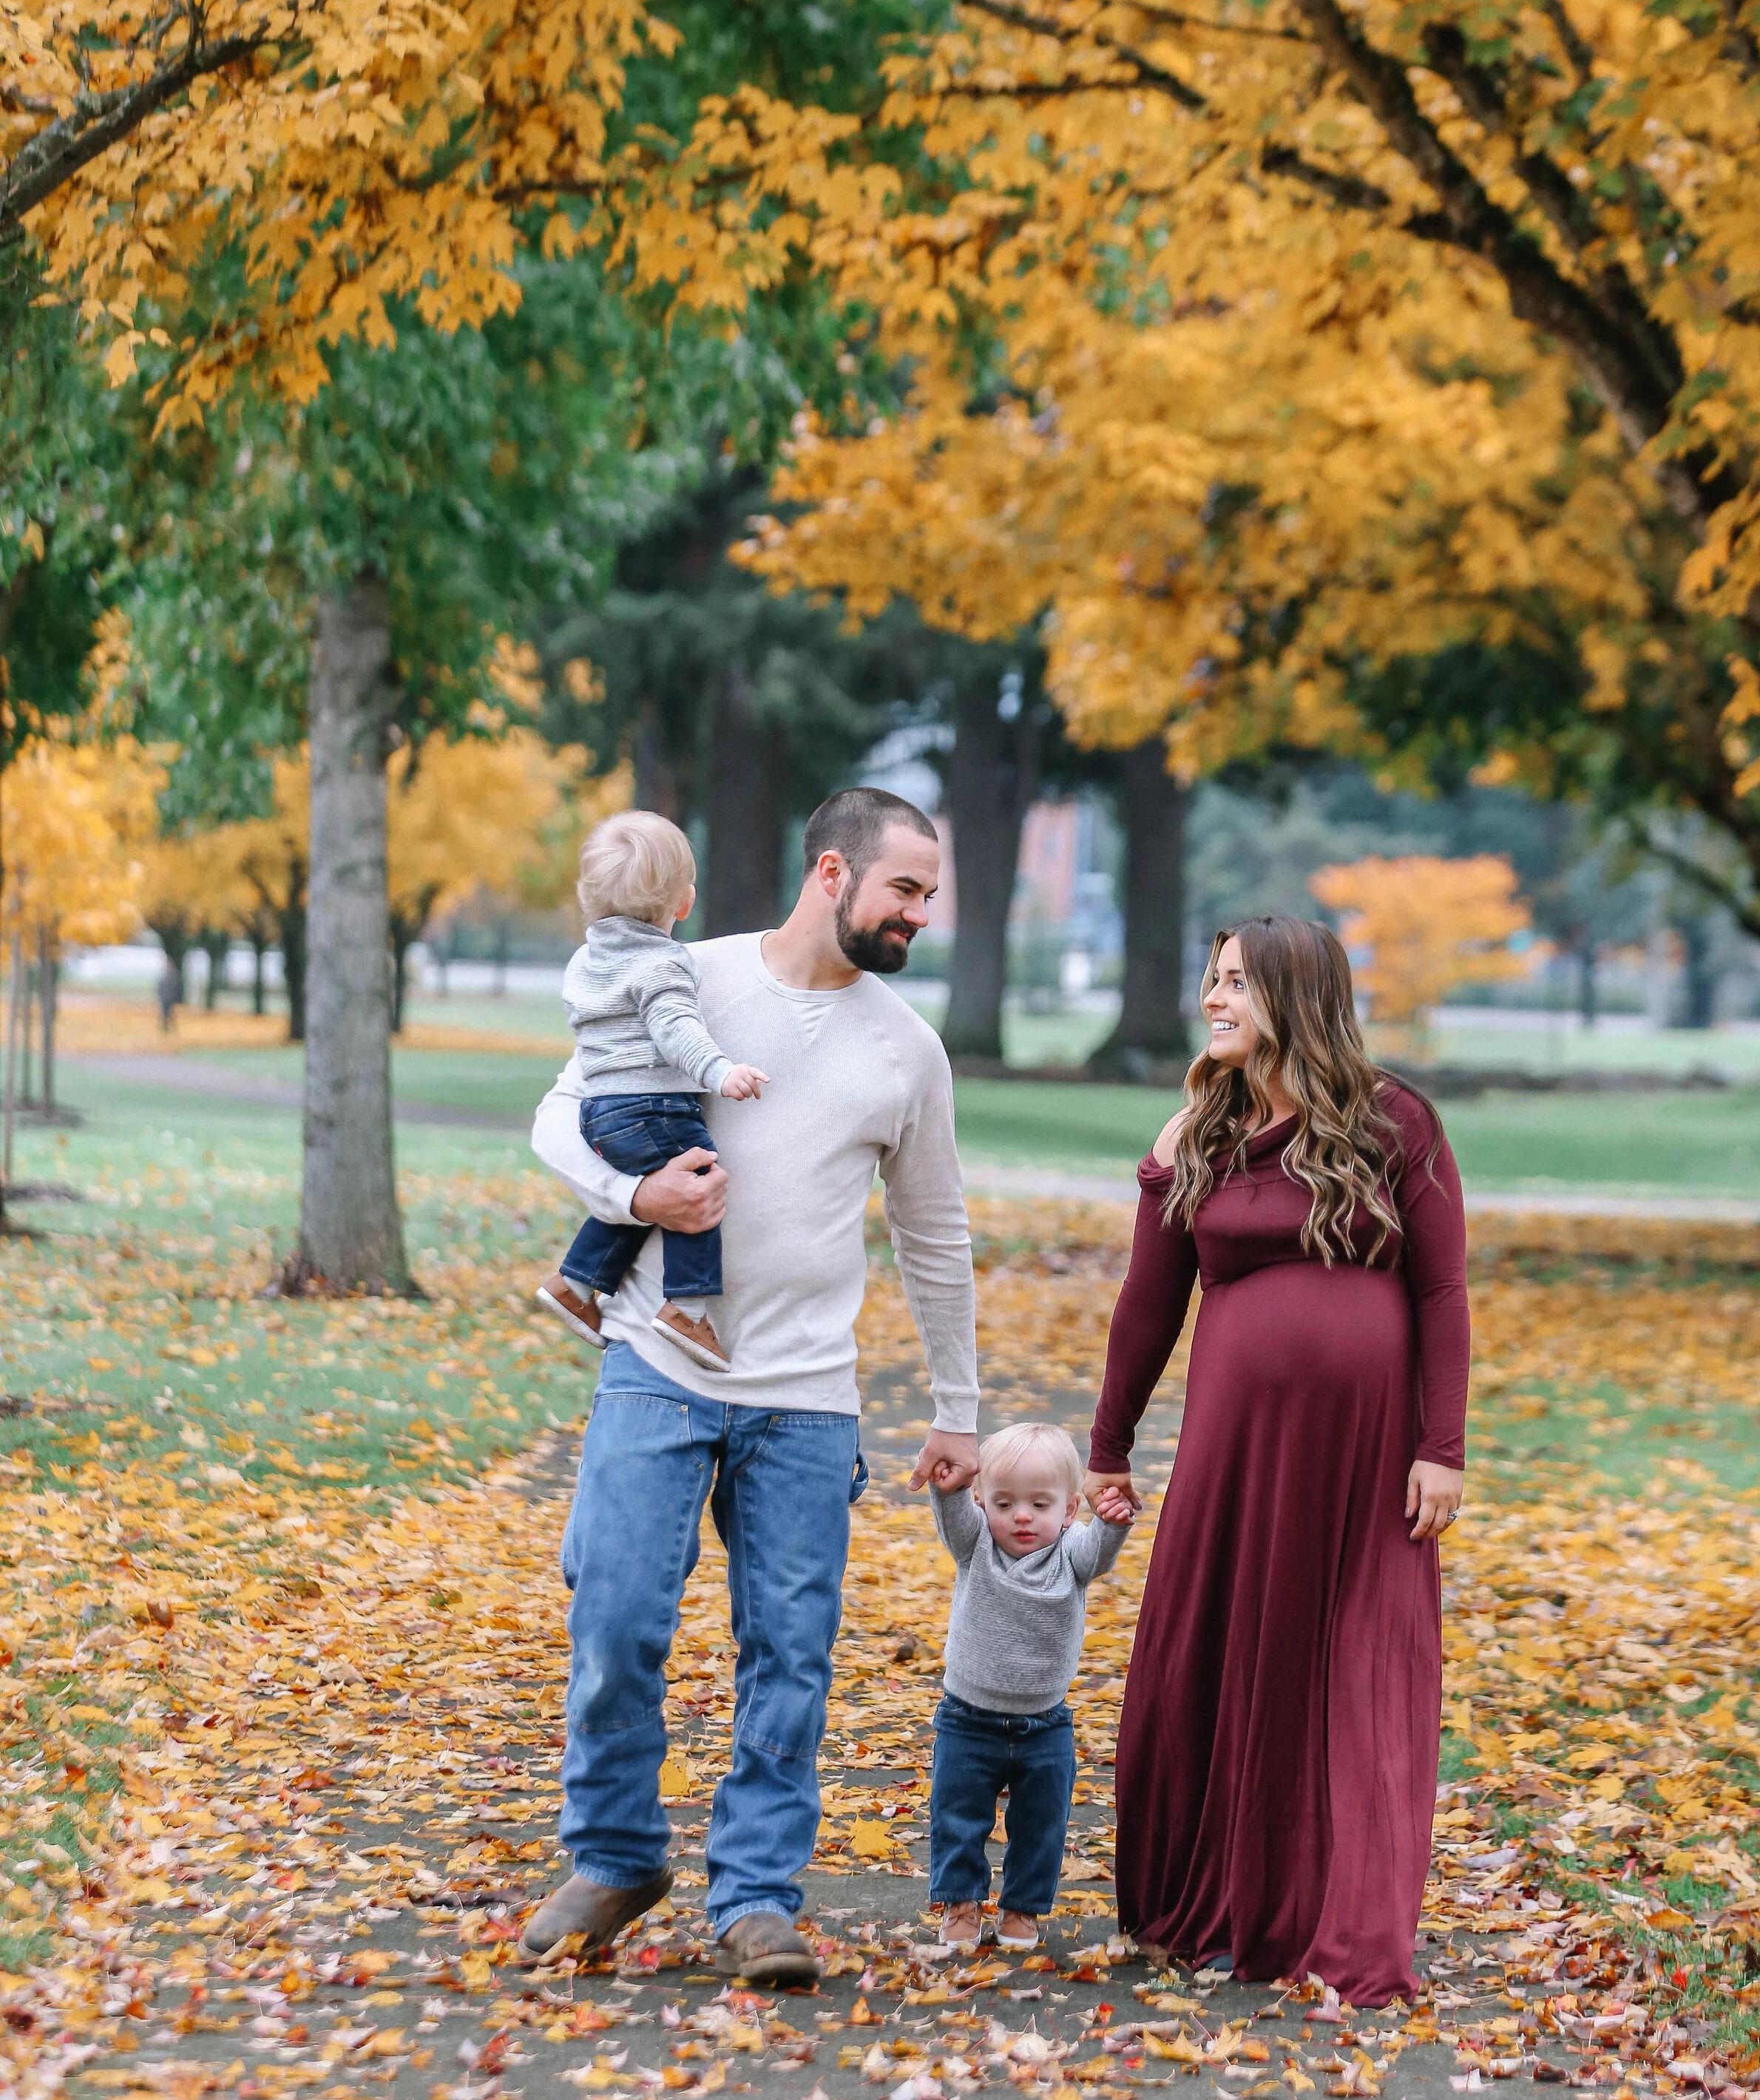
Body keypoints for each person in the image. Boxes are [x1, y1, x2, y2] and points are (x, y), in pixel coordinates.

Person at [522, 788, 980, 1986]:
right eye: (907, 889)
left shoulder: (906, 1049)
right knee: (615, 1619)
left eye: (930, 894)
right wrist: (636, 1203)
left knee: (792, 1650)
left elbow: (934, 1233)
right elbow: (560, 1117)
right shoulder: (690, 976)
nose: (923, 914)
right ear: (833, 872)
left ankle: (757, 1897)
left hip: (809, 1396)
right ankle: (616, 1855)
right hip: (657, 1363)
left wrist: (957, 1405)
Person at [1086, 915, 1469, 2008]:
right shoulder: (1194, 1132)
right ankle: (1224, 1909)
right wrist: (1107, 1447)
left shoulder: (1395, 1121)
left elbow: (1441, 1293)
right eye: (1211, 981)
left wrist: (1443, 1448)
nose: (1215, 1000)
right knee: (1225, 1648)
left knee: (1356, 1669)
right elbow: (1146, 1304)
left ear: (1296, 995)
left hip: (1366, 1454)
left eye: (1238, 984)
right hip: (1236, 1447)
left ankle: (1342, 1920)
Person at [535, 811, 769, 1374]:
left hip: (600, 1113)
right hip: (655, 1106)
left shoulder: (585, 961)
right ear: (682, 904)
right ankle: (686, 1308)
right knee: (696, 1191)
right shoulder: (662, 961)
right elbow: (675, 1030)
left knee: (647, 1199)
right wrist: (720, 1071)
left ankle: (575, 1285)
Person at [926, 1423, 1134, 1954]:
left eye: (1039, 1504)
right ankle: (962, 1903)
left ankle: (1020, 1908)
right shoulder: (976, 1546)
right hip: (967, 1717)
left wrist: (1112, 1522)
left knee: (1041, 1823)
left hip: (1045, 1723)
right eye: (1004, 1503)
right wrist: (947, 1485)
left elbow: (1101, 1551)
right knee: (958, 1815)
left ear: (1067, 1511)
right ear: (982, 1503)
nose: (1022, 1516)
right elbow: (954, 1516)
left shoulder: (1071, 1557)